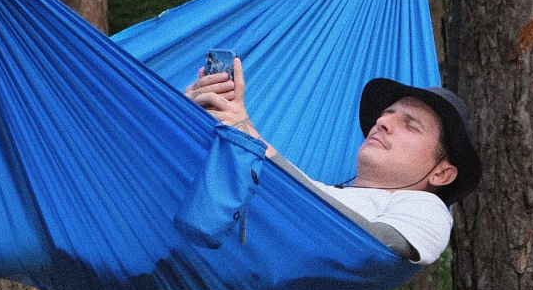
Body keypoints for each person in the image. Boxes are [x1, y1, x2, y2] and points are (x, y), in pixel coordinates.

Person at [186, 62, 482, 264]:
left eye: (411, 125)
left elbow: (368, 241)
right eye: (387, 114)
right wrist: (185, 115)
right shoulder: (322, 190)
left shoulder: (426, 210)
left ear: (442, 173)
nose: (382, 122)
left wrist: (247, 135)